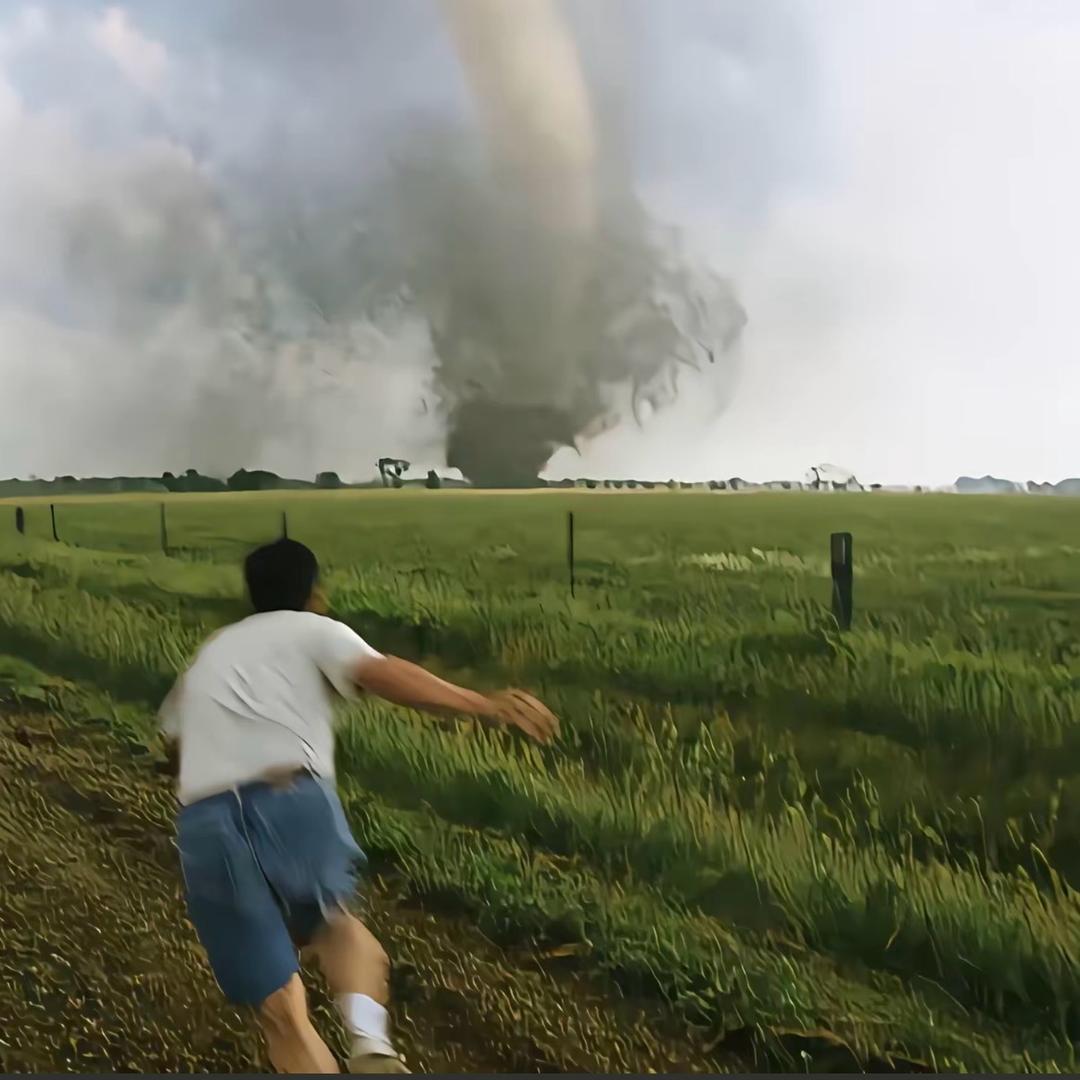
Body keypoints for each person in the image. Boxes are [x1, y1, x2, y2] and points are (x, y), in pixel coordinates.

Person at [159, 538, 559, 1074]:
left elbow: (174, 744)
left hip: (205, 823)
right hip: (289, 795)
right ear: (314, 594)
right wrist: (482, 705)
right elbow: (382, 672)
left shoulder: (209, 653)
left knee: (282, 1014)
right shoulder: (313, 628)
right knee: (334, 923)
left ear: (252, 595)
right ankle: (370, 1044)